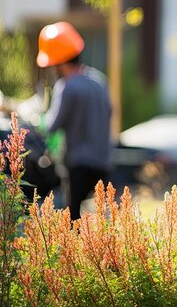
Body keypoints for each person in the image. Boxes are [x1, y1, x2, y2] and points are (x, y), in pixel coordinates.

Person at [37, 21, 112, 220]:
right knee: (102, 221)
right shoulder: (100, 82)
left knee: (73, 219)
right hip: (103, 162)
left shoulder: (66, 86)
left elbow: (52, 125)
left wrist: (38, 119)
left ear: (58, 63)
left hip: (78, 164)